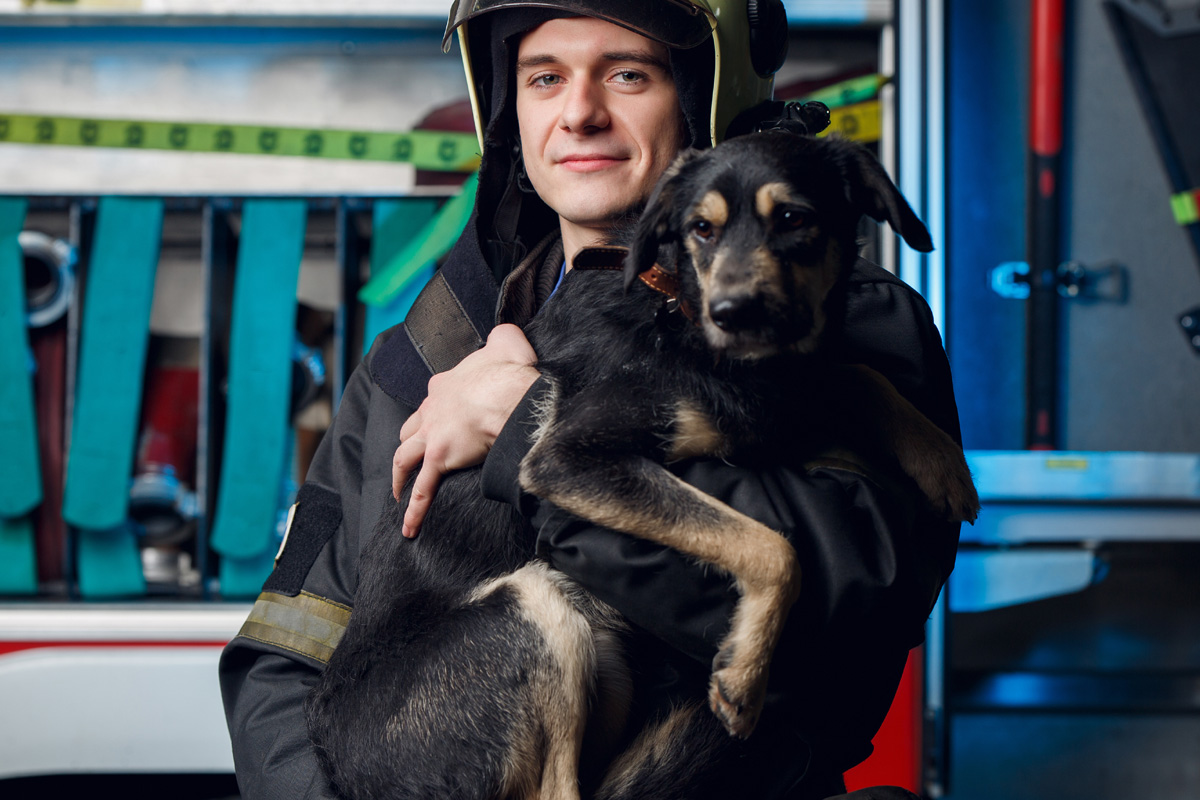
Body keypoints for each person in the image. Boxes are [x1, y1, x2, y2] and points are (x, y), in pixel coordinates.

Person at [218, 2, 962, 798]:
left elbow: (849, 612)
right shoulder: (425, 355)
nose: (579, 113)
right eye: (545, 78)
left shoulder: (844, 326)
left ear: (703, 91)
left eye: (627, 74)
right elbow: (290, 649)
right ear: (509, 107)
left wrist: (522, 436)